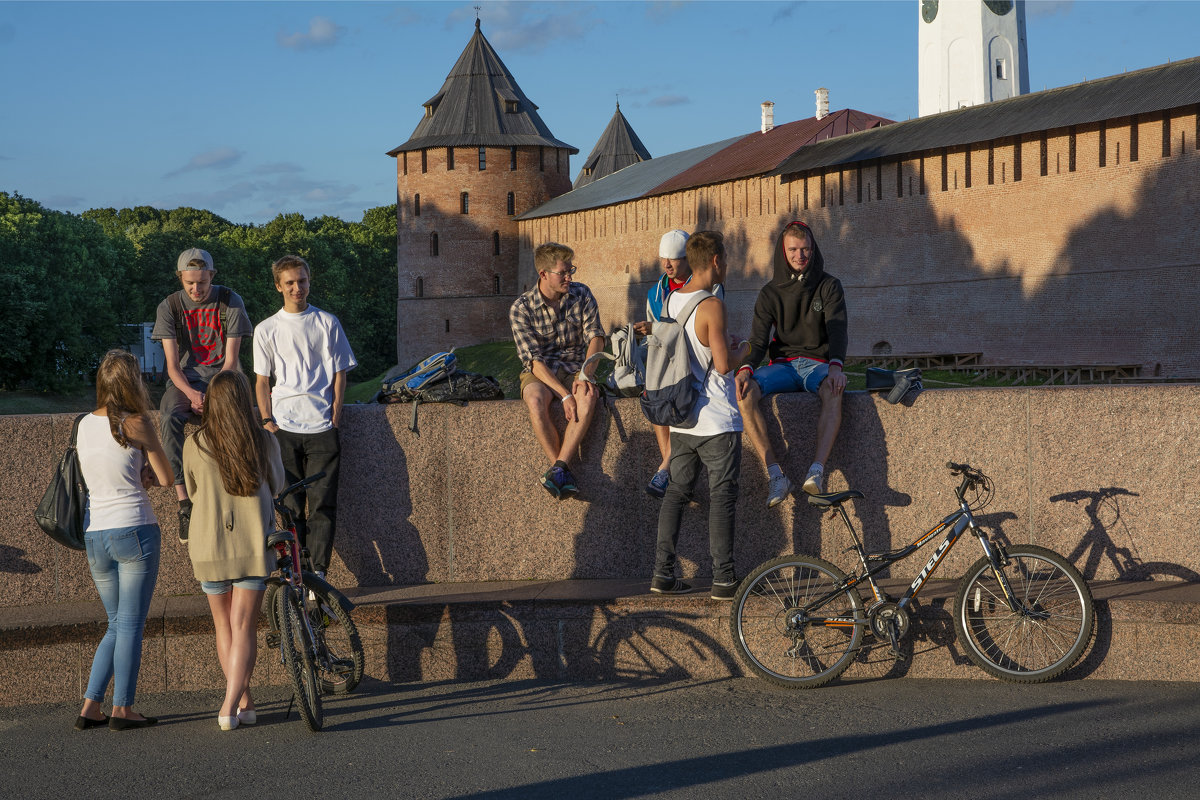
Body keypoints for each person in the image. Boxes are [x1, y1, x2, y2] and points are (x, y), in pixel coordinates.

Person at [74, 350, 172, 731]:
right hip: (134, 529)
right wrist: (147, 471)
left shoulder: (82, 424)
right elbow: (164, 478)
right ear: (133, 382)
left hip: (95, 534)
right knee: (130, 624)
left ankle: (90, 706)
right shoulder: (137, 422)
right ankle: (123, 708)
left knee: (116, 623)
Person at [183, 370, 285, 731]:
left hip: (208, 545)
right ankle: (234, 703)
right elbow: (278, 485)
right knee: (244, 627)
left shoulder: (194, 443)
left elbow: (193, 493)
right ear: (244, 401)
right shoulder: (263, 440)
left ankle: (242, 702)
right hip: (251, 544)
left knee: (223, 626)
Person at [651, 231, 744, 600]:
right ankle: (724, 579)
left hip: (681, 417)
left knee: (676, 493)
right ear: (717, 261)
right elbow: (722, 365)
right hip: (717, 420)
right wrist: (747, 349)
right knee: (722, 497)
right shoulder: (711, 305)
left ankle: (662, 574)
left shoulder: (672, 299)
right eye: (727, 259)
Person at [253, 255, 356, 580]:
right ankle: (298, 575)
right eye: (290, 283)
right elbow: (262, 381)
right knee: (292, 508)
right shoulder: (266, 329)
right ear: (278, 286)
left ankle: (319, 578)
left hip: (322, 427)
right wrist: (269, 423)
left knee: (323, 506)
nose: (298, 288)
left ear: (309, 281)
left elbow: (341, 374)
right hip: (284, 429)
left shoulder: (327, 323)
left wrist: (336, 414)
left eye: (302, 281)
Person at [735, 221, 847, 507]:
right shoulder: (770, 293)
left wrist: (836, 366)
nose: (801, 256)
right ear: (783, 252)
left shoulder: (829, 286)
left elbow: (837, 330)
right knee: (745, 394)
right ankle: (776, 474)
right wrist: (745, 368)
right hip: (782, 366)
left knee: (834, 389)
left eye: (806, 249)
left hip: (817, 364)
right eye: (794, 250)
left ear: (813, 249)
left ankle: (817, 472)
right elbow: (758, 340)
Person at [151, 248, 253, 542]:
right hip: (185, 381)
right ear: (180, 278)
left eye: (202, 283)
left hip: (226, 378)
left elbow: (231, 362)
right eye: (190, 283)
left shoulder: (230, 301)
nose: (196, 289)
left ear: (212, 276)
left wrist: (214, 396)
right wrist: (193, 395)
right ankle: (185, 504)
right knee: (169, 415)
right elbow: (171, 366)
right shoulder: (169, 306)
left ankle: (240, 490)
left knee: (238, 416)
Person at [634, 229, 730, 499]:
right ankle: (667, 461)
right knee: (655, 393)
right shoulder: (656, 292)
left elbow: (705, 330)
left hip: (697, 364)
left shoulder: (711, 287)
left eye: (674, 259)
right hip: (668, 362)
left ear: (688, 259)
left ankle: (668, 467)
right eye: (663, 259)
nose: (667, 265)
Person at [509, 242, 606, 498]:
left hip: (576, 365)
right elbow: (534, 361)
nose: (569, 277)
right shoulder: (521, 308)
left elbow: (596, 337)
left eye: (570, 270)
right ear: (543, 274)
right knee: (534, 398)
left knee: (587, 395)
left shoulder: (581, 294)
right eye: (563, 272)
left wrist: (586, 374)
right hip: (542, 371)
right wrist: (564, 395)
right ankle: (559, 468)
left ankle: (559, 468)